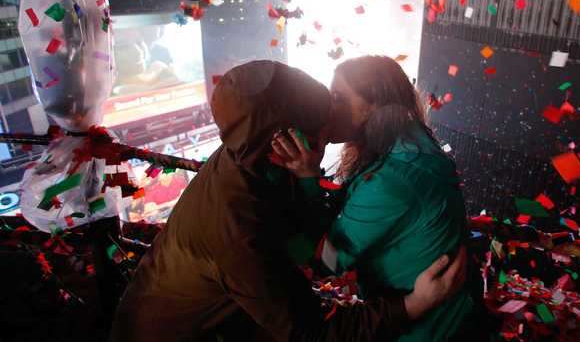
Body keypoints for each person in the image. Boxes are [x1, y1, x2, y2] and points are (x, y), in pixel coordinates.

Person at [110, 60, 467, 342]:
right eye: (320, 125)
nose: (330, 121)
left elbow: (307, 243)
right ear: (284, 140)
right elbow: (312, 326)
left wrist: (309, 186)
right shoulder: (235, 226)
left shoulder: (253, 154)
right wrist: (411, 306)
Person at [272, 55, 478, 342]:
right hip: (446, 320)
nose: (329, 107)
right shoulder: (409, 145)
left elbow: (327, 262)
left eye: (338, 97)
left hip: (424, 331)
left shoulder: (390, 180)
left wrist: (307, 180)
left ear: (372, 107)